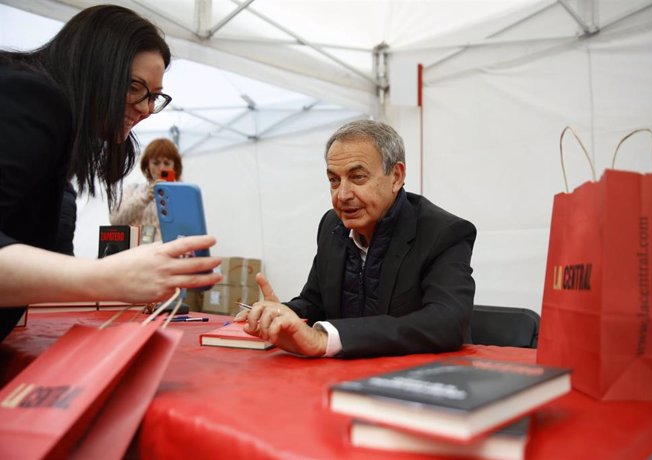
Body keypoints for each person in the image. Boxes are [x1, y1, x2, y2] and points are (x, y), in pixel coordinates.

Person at [0, 5, 222, 341]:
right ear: (95, 68)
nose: (146, 108)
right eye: (135, 87)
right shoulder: (33, 97)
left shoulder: (55, 123)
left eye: (154, 96)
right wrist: (106, 277)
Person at [235, 120, 476, 358]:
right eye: (334, 180)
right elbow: (315, 301)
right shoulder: (332, 225)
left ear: (396, 176)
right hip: (337, 376)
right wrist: (280, 313)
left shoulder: (444, 232)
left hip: (416, 381)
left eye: (358, 177)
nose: (342, 195)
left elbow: (446, 323)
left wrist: (324, 339)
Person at [110, 137, 183, 241]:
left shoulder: (182, 193)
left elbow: (187, 229)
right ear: (147, 165)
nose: (161, 168)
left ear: (175, 167)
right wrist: (145, 197)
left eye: (166, 163)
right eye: (156, 163)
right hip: (134, 254)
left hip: (165, 254)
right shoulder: (133, 189)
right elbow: (115, 220)